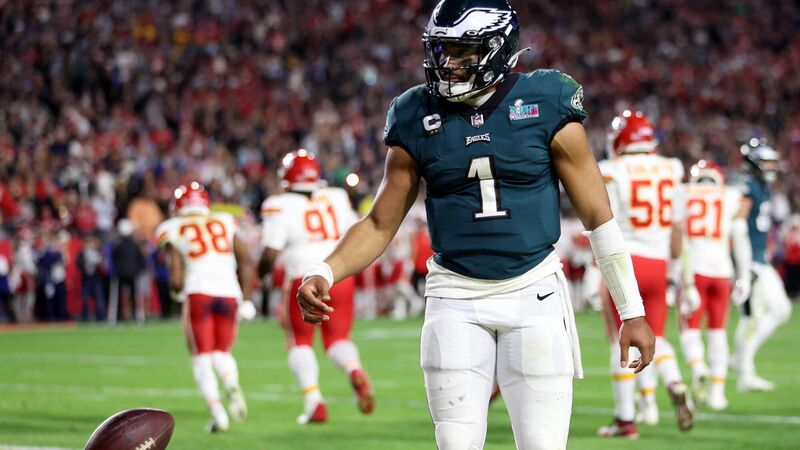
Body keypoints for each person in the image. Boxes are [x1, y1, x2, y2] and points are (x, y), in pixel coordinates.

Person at [297, 1, 655, 448]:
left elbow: (599, 219)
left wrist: (632, 311)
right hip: (454, 296)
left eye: (462, 52)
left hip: (533, 291)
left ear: (498, 48)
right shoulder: (414, 113)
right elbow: (379, 224)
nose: (447, 63)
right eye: (441, 50)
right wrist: (324, 270)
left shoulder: (547, 101)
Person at [597, 110, 695, 436]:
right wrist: (676, 272)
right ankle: (674, 382)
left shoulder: (612, 170)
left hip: (626, 261)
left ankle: (626, 419)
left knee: (621, 340)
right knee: (657, 337)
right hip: (659, 264)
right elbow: (677, 230)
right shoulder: (671, 168)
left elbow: (603, 223)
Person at [258, 150, 375, 424]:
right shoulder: (337, 196)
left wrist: (263, 276)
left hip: (304, 276)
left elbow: (270, 252)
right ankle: (354, 369)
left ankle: (314, 402)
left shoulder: (279, 204)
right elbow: (355, 233)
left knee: (299, 341)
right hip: (338, 273)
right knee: (338, 339)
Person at [155, 182, 256, 432]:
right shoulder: (225, 221)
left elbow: (175, 271)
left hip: (199, 290)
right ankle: (231, 381)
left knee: (201, 356)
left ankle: (217, 412)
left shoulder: (172, 227)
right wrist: (247, 299)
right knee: (222, 352)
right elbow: (246, 260)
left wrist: (176, 290)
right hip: (229, 291)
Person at [677, 160, 751, 410]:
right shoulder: (731, 195)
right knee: (718, 332)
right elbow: (740, 237)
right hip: (722, 272)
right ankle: (718, 394)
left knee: (690, 329)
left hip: (694, 270)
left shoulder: (683, 193)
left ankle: (698, 366)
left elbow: (676, 237)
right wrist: (743, 276)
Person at [732, 138, 792, 391]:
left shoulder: (760, 187)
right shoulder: (746, 188)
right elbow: (736, 224)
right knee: (751, 317)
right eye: (766, 162)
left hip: (760, 259)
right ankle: (745, 373)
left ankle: (741, 359)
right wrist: (741, 264)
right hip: (749, 262)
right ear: (754, 163)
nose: (771, 167)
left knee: (780, 310)